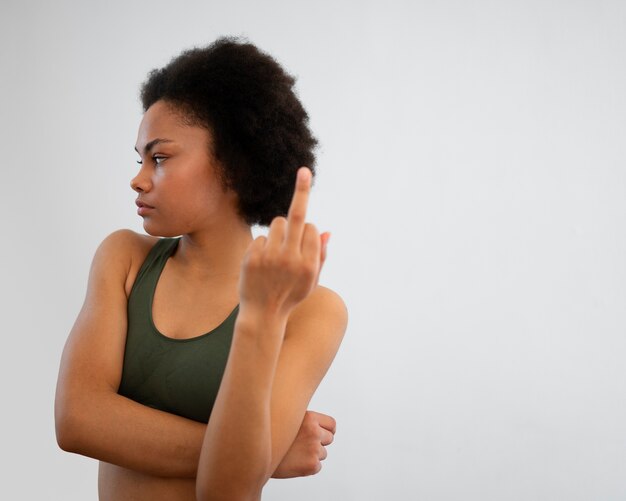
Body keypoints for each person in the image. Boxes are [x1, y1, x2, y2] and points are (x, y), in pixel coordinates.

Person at [54, 37, 348, 500]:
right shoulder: (124, 260)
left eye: (161, 157)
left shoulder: (311, 311)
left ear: (233, 163)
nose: (138, 177)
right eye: (140, 159)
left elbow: (225, 491)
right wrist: (265, 457)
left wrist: (261, 315)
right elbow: (76, 420)